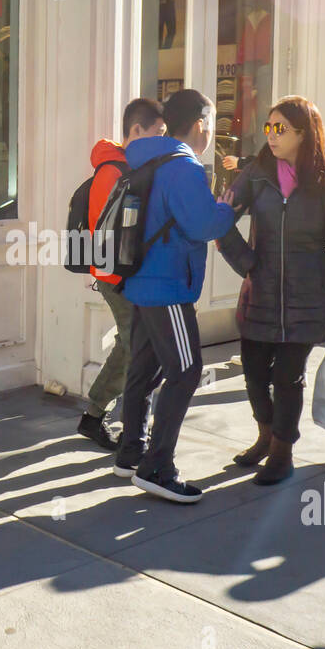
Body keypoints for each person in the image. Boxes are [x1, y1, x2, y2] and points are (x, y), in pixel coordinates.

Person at [217, 97, 325, 484]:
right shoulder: (255, 174)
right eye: (268, 127)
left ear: (303, 133)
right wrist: (245, 262)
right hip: (259, 293)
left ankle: (282, 450)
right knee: (253, 372)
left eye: (280, 128)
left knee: (289, 377)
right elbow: (221, 220)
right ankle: (265, 434)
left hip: (308, 296)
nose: (272, 135)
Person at [112, 89, 241, 503]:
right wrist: (228, 209)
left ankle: (130, 453)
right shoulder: (183, 166)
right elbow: (203, 224)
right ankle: (157, 468)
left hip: (142, 282)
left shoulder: (147, 158)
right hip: (167, 286)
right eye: (211, 124)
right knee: (186, 370)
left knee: (145, 369)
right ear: (201, 123)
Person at [76, 97, 166, 450]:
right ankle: (98, 413)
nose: (161, 138)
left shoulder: (127, 166)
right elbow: (111, 231)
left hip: (125, 272)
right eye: (157, 132)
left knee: (131, 343)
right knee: (133, 345)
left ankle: (97, 414)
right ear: (136, 130)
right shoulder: (114, 171)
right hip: (117, 274)